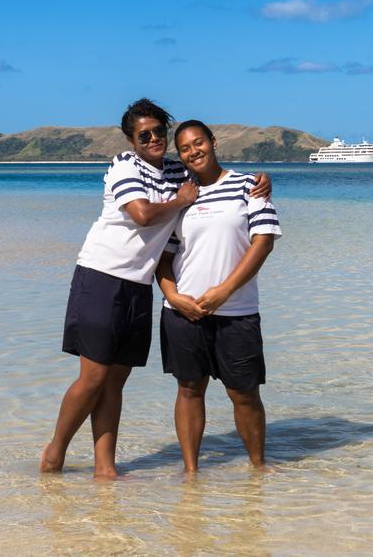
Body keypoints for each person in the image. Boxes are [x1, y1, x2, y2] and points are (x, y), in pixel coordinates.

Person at [40, 100, 270, 477]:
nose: (153, 140)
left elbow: (211, 174)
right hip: (101, 276)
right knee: (94, 377)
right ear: (131, 140)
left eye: (158, 133)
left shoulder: (178, 170)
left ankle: (104, 468)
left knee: (116, 380)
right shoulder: (124, 166)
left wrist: (261, 178)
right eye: (143, 135)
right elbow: (143, 215)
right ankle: (55, 452)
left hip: (140, 285)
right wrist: (180, 200)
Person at [156, 120, 282, 473]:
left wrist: (224, 292)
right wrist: (172, 295)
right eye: (184, 148)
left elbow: (263, 242)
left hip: (237, 311)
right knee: (189, 390)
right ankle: (191, 473)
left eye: (199, 143)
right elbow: (163, 257)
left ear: (213, 142)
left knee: (244, 393)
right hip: (183, 312)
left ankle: (259, 469)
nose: (193, 151)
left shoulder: (248, 186)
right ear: (178, 155)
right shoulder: (181, 197)